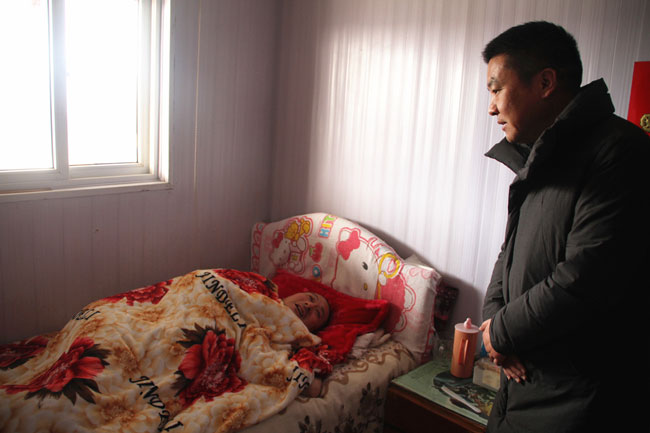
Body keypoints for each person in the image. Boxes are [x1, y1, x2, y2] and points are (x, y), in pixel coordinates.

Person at [479, 21, 649, 432]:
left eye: (497, 89)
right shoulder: (538, 157)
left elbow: (583, 279)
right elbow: (509, 254)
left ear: (545, 82)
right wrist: (493, 325)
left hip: (575, 399)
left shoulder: (619, 152)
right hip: (520, 382)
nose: (491, 108)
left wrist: (501, 333)